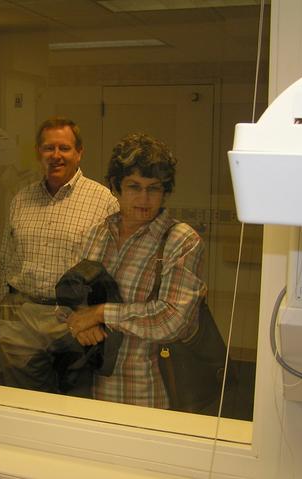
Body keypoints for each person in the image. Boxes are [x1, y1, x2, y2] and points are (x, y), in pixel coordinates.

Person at [65, 133, 207, 409]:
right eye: (133, 186)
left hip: (147, 393)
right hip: (88, 387)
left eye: (153, 188)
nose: (144, 198)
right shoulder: (95, 235)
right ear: (116, 187)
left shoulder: (180, 241)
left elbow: (173, 319)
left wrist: (100, 313)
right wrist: (79, 324)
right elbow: (68, 302)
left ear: (165, 192)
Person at [0, 117, 119, 392]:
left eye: (64, 148)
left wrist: (99, 318)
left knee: (73, 405)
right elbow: (7, 257)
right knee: (22, 403)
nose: (56, 156)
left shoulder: (103, 201)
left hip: (74, 320)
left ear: (79, 153)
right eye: (48, 148)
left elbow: (112, 268)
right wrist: (0, 310)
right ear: (38, 153)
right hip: (23, 319)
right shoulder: (21, 199)